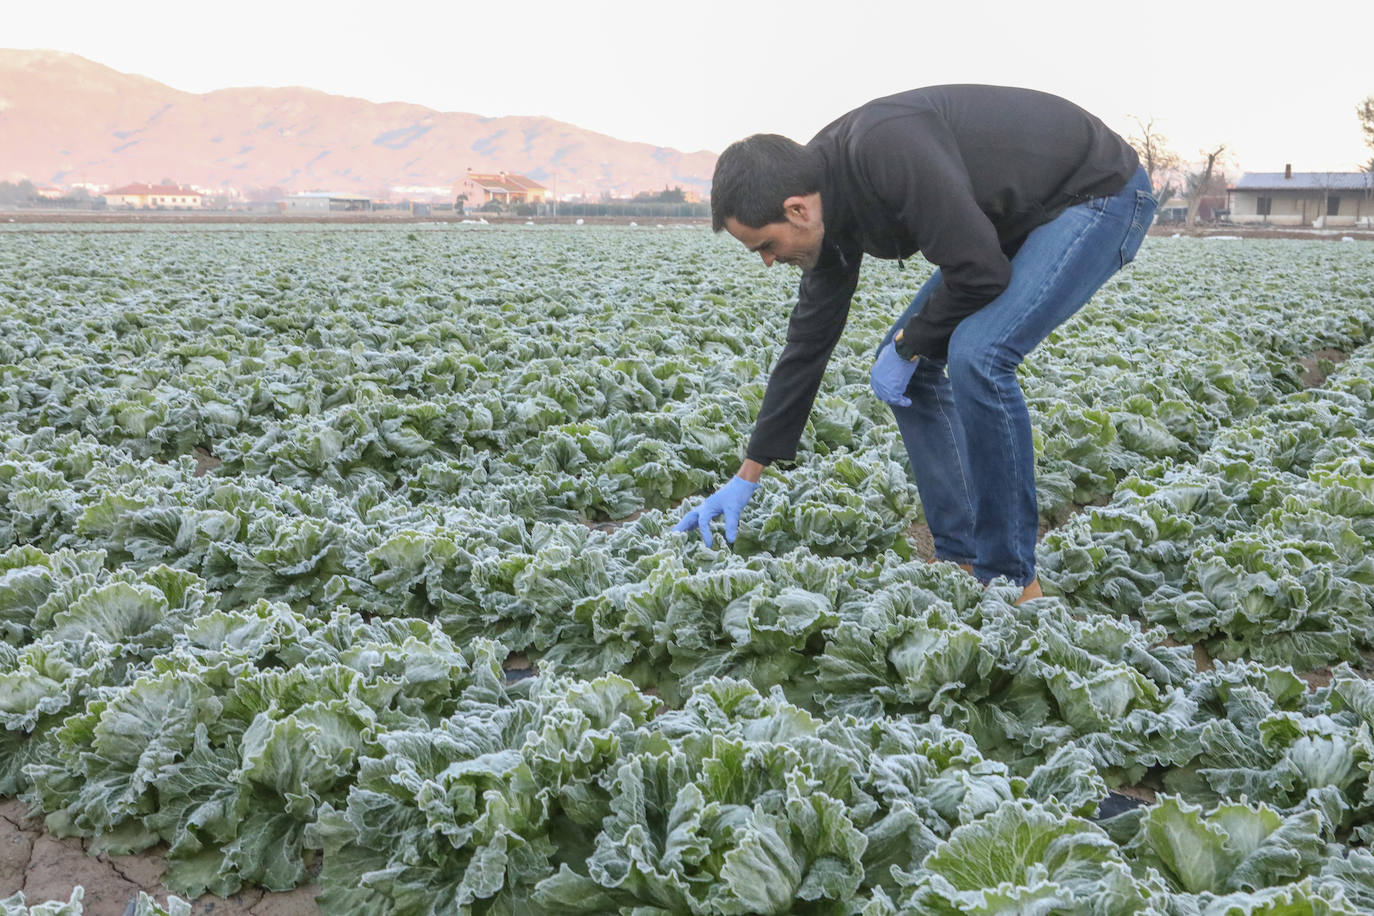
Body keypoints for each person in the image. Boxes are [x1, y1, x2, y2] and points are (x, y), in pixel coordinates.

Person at [673, 84, 1156, 604]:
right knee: (912, 374)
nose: (768, 262)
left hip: (1099, 192)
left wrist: (908, 346)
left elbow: (979, 272)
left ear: (796, 211)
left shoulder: (884, 150)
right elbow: (808, 343)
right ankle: (962, 553)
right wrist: (750, 470)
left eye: (765, 246)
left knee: (979, 356)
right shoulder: (820, 196)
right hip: (1015, 216)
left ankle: (1012, 582)